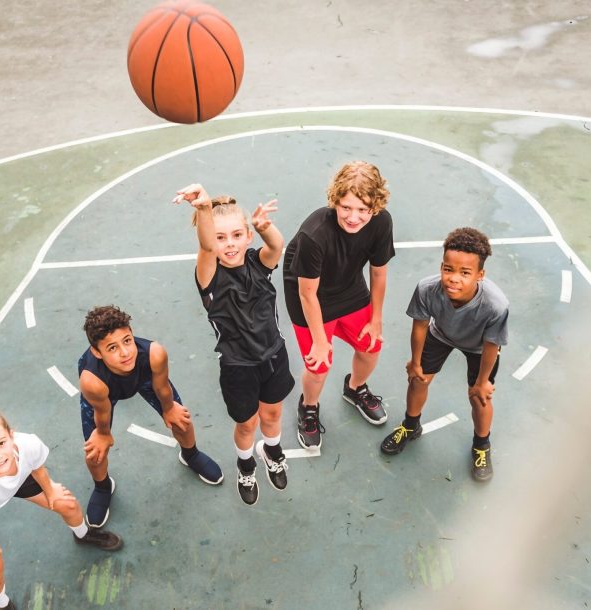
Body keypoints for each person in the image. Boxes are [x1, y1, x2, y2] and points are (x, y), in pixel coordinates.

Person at [173, 183, 295, 506]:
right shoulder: (209, 276)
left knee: (273, 413)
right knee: (247, 423)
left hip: (274, 355)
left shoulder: (258, 262)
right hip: (238, 366)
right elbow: (205, 248)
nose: (229, 244)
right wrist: (202, 209)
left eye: (237, 235)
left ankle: (272, 450)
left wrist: (266, 229)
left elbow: (277, 247)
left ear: (248, 236)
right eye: (221, 237)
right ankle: (245, 464)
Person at [0, 400, 122, 610]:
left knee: (68, 504)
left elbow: (37, 468)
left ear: (11, 435)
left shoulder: (28, 444)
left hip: (16, 478)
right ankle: (1, 604)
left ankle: (84, 535)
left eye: (1, 443)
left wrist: (50, 491)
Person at [282, 161, 396, 450]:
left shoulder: (382, 223)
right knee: (319, 365)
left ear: (376, 206)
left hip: (348, 286)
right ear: (334, 200)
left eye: (362, 209)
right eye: (346, 207)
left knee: (371, 347)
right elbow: (308, 294)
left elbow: (379, 272)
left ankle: (355, 388)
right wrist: (320, 341)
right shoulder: (315, 233)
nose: (353, 217)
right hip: (308, 295)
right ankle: (308, 408)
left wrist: (377, 318)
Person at [380, 227, 509, 482]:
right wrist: (415, 363)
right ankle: (410, 426)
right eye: (448, 269)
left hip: (480, 347)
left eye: (465, 273)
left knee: (479, 397)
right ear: (441, 266)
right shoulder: (427, 289)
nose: (454, 278)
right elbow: (419, 327)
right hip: (441, 334)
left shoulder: (496, 305)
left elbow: (492, 345)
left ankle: (481, 445)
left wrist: (483, 382)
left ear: (480, 275)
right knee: (418, 379)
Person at [78, 305, 223, 527]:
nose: (125, 352)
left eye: (127, 340)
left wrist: (169, 409)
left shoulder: (154, 354)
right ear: (97, 352)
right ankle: (103, 486)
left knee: (180, 419)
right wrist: (103, 434)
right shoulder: (92, 380)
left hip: (144, 377)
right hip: (106, 390)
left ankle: (191, 455)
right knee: (95, 452)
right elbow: (102, 411)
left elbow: (163, 389)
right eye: (112, 347)